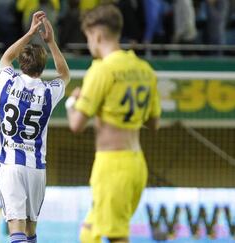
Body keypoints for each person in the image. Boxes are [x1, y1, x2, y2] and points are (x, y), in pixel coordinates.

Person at [65, 4, 161, 243]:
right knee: (88, 234)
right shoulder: (144, 69)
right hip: (136, 163)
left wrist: (71, 104)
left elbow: (76, 125)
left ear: (96, 35)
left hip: (112, 165)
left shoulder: (102, 70)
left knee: (117, 237)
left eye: (88, 38)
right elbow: (153, 122)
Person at [0, 11, 70, 243]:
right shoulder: (48, 91)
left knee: (16, 228)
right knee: (30, 229)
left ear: (21, 64)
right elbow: (64, 74)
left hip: (10, 165)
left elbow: (5, 58)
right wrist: (51, 42)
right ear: (42, 67)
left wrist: (28, 33)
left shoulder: (7, 82)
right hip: (36, 168)